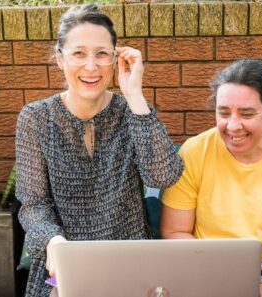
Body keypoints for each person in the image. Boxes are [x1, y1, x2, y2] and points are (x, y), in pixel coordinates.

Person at [15, 4, 183, 296]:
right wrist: (53, 242)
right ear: (60, 59)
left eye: (102, 54)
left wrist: (135, 95)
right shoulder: (36, 118)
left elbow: (163, 176)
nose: (91, 67)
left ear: (116, 58)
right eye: (79, 53)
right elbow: (33, 205)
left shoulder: (132, 111)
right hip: (62, 265)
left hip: (130, 262)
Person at [160, 59, 262, 265]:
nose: (233, 125)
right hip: (205, 268)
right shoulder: (194, 151)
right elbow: (175, 231)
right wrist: (220, 271)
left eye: (246, 114)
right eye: (223, 113)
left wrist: (258, 273)